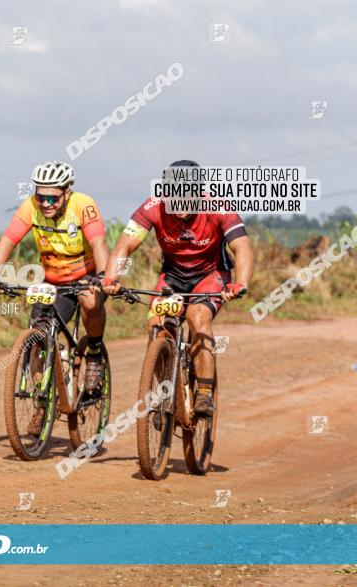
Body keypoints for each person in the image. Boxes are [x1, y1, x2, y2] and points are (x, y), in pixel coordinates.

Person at [101, 160, 254, 417]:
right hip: (173, 276)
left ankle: (204, 392)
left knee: (197, 318)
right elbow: (125, 245)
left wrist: (241, 284)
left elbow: (242, 248)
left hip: (210, 275)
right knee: (155, 324)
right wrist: (111, 278)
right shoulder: (153, 207)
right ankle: (164, 388)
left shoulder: (218, 207)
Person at [0, 161, 109, 433]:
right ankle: (44, 402)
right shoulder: (30, 206)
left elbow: (99, 242)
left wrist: (102, 277)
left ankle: (95, 353)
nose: (46, 203)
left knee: (90, 302)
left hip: (86, 275)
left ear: (67, 192)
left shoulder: (83, 205)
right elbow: (7, 241)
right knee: (37, 334)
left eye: (53, 197)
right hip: (52, 279)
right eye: (42, 197)